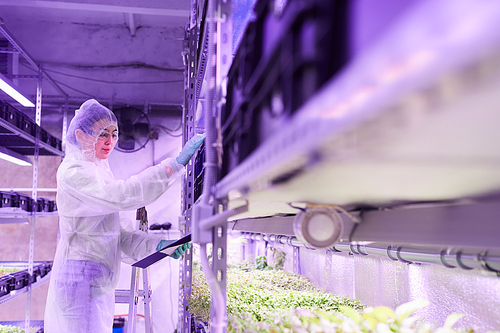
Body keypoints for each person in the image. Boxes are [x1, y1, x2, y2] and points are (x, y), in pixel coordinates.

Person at [44, 99, 204, 333]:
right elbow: (122, 195)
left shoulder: (98, 171)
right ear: (80, 135)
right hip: (79, 278)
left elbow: (119, 235)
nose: (110, 142)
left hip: (96, 279)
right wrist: (175, 165)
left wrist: (159, 245)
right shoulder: (74, 172)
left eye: (114, 134)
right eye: (102, 134)